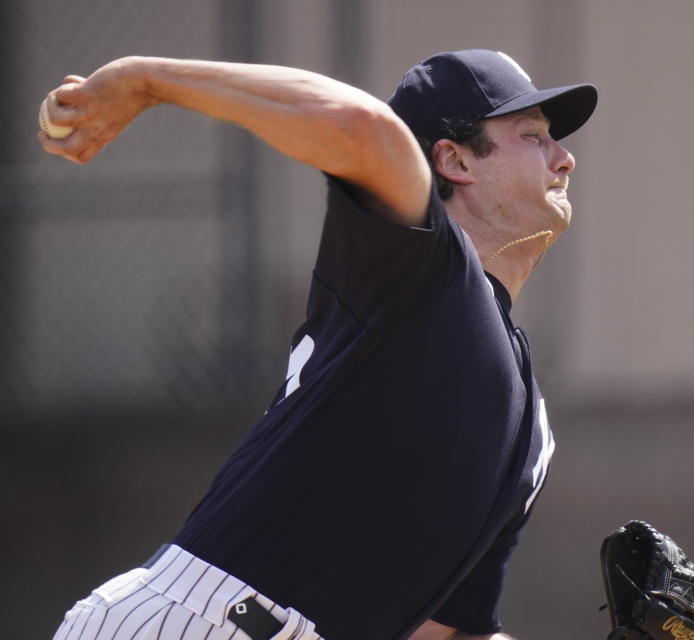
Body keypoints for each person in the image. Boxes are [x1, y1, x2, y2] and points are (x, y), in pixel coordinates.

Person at [40, 48, 597, 640]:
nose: (564, 158)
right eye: (533, 135)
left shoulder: (531, 429)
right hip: (200, 624)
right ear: (454, 158)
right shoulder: (418, 271)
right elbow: (363, 128)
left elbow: (442, 632)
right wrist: (146, 82)